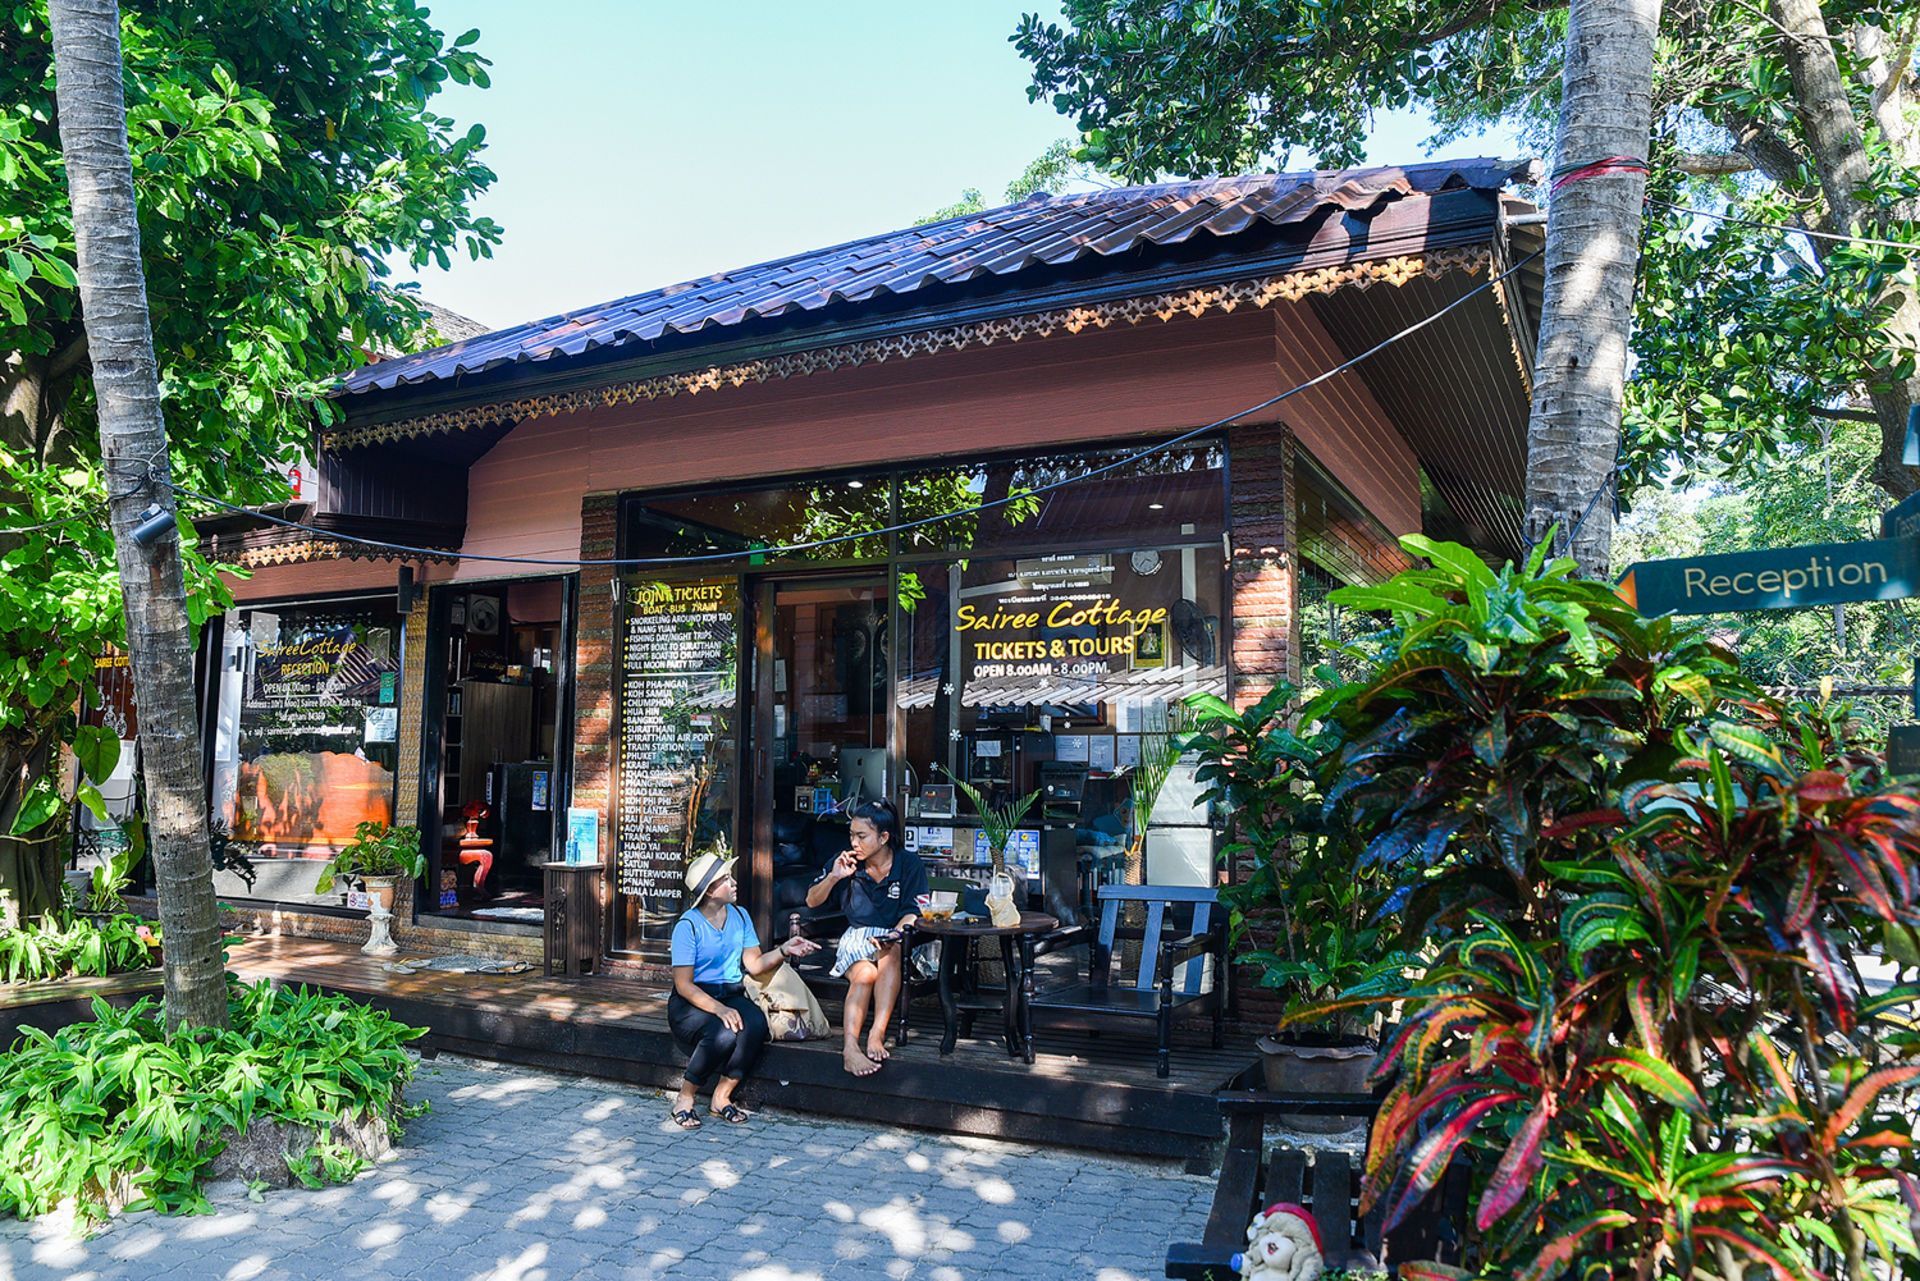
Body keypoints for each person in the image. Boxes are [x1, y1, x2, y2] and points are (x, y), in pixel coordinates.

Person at [668, 851, 817, 1129]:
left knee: (756, 1025)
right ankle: (686, 1097)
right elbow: (684, 985)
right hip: (692, 1001)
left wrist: (785, 949)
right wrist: (721, 1009)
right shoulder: (687, 927)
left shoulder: (739, 915)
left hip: (731, 992)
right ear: (710, 891)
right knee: (723, 1034)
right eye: (727, 879)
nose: (734, 882)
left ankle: (722, 1096)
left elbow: (755, 964)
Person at [803, 799, 927, 1077]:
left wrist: (895, 933)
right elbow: (811, 901)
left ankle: (876, 1035)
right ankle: (850, 1047)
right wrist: (834, 877)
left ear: (883, 837)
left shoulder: (909, 864)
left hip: (896, 936)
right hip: (856, 938)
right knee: (864, 975)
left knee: (890, 952)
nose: (854, 842)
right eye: (851, 835)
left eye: (861, 836)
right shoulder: (846, 863)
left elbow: (914, 911)